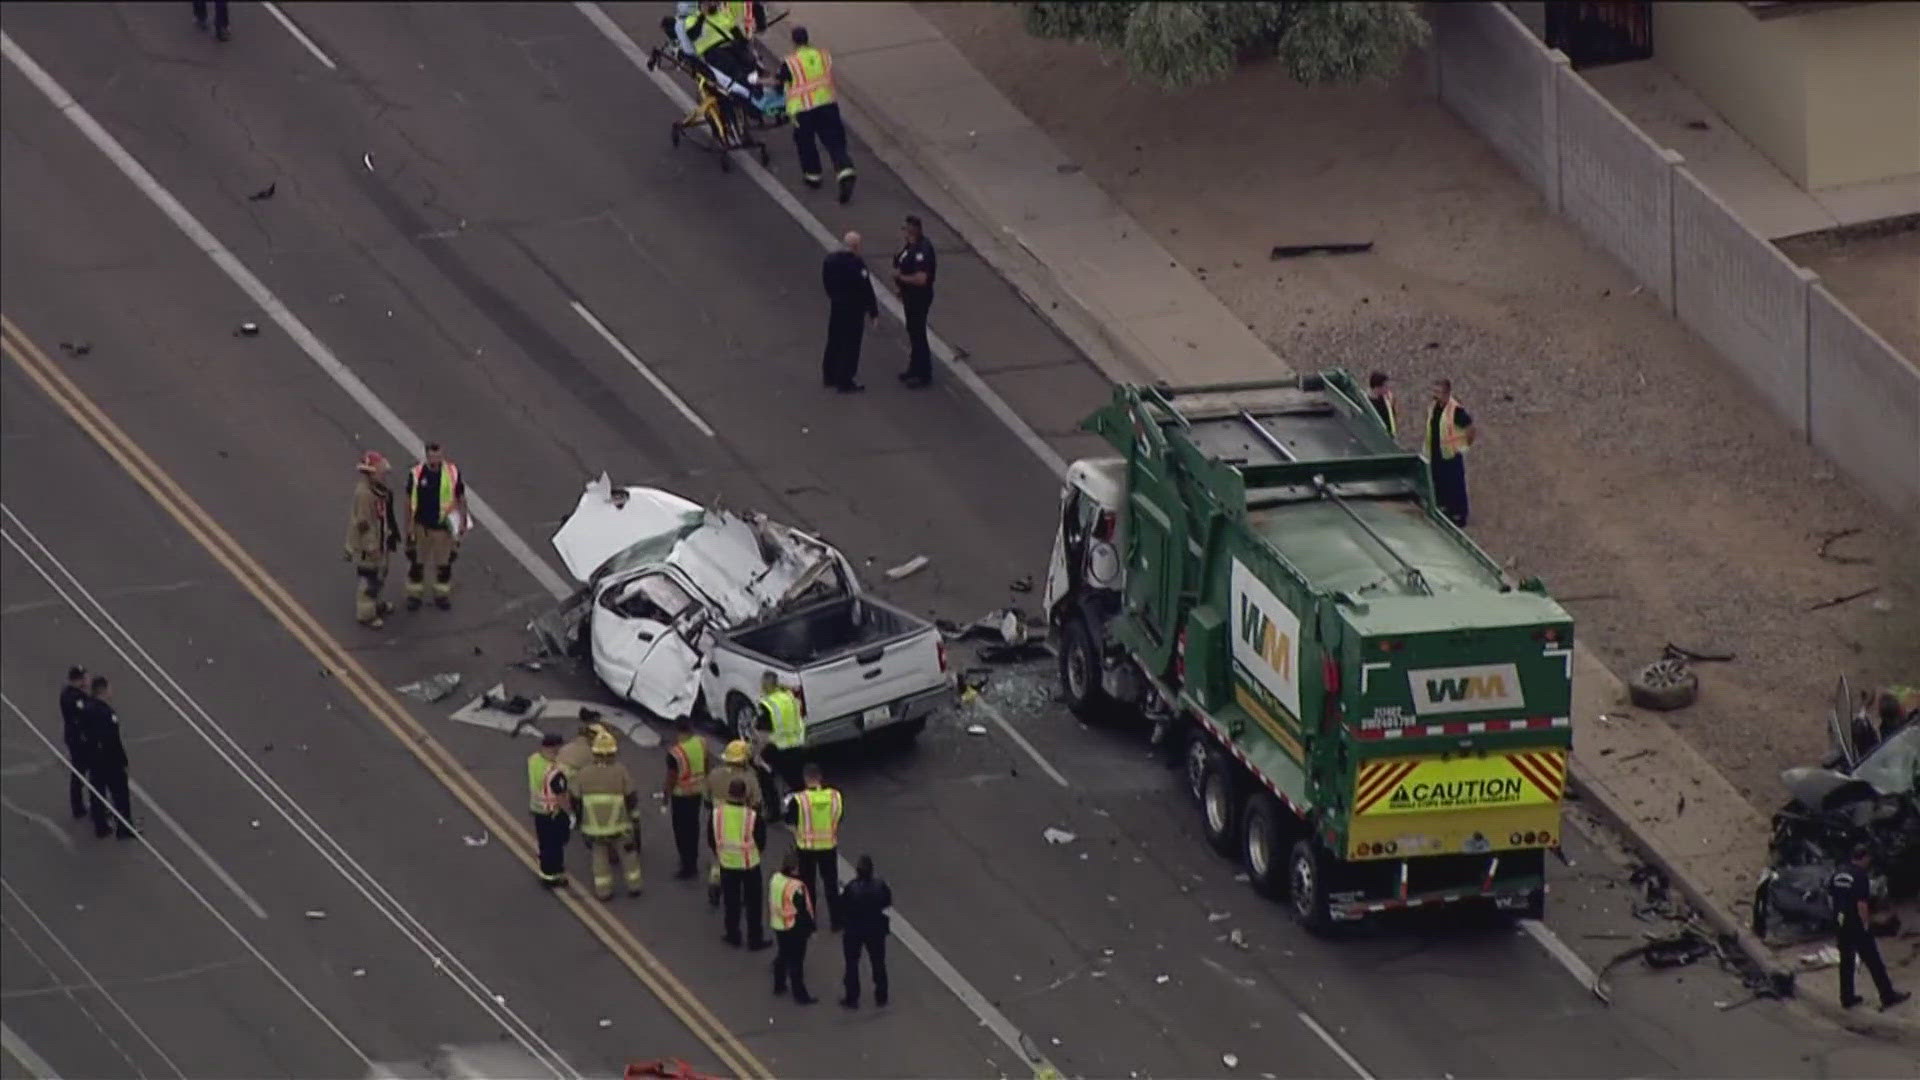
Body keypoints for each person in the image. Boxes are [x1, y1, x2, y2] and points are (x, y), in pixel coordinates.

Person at [776, 27, 857, 204]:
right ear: (807, 38)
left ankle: (813, 176)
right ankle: (845, 170)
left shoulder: (790, 62)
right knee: (834, 141)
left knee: (806, 143)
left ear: (793, 41)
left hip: (803, 110)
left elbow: (779, 81)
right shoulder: (823, 55)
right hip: (827, 104)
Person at [1828, 845, 1909, 1011]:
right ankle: (1888, 996)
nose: (1869, 862)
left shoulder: (1838, 872)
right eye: (1868, 859)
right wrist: (1866, 924)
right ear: (1863, 858)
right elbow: (1861, 904)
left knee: (1846, 961)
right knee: (1874, 962)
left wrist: (1836, 917)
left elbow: (1831, 897)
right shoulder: (1859, 875)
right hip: (1856, 925)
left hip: (1841, 923)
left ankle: (1847, 997)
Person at [573, 729, 644, 900]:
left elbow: (575, 798)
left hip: (594, 828)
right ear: (613, 753)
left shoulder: (583, 773)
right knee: (628, 856)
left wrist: (580, 820)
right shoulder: (620, 771)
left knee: (599, 859)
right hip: (619, 826)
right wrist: (634, 818)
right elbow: (631, 797)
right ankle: (634, 886)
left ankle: (603, 891)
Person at [404, 442, 469, 611]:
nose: (436, 459)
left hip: (443, 528)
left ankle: (441, 595)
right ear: (427, 456)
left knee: (444, 565)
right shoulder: (417, 474)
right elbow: (409, 501)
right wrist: (409, 527)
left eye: (439, 456)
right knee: (417, 563)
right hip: (422, 527)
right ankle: (414, 595)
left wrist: (462, 520)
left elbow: (460, 496)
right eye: (433, 456)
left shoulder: (452, 473)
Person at [711, 778, 770, 949]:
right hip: (749, 864)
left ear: (729, 793)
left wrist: (721, 853)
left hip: (727, 864)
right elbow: (761, 840)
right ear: (744, 795)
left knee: (731, 902)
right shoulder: (752, 816)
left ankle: (733, 935)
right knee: (753, 904)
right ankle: (755, 939)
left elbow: (711, 837)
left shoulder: (717, 814)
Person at [783, 763, 844, 931]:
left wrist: (798, 834)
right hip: (828, 846)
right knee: (831, 884)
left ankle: (810, 921)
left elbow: (789, 822)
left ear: (805, 778)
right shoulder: (834, 796)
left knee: (808, 886)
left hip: (806, 848)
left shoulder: (799, 800)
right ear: (820, 778)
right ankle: (836, 921)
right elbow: (838, 817)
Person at [343, 450, 400, 629]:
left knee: (380, 574)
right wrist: (371, 546)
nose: (384, 475)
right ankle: (366, 614)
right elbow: (363, 524)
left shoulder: (378, 490)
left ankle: (376, 604)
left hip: (381, 539)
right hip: (369, 547)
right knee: (369, 579)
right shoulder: (365, 494)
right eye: (381, 471)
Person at [705, 739, 764, 906]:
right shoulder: (749, 778)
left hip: (718, 820)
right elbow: (757, 804)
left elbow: (707, 798)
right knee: (742, 858)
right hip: (742, 821)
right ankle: (744, 893)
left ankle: (715, 884)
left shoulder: (715, 774)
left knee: (718, 855)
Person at [820, 232, 878, 392]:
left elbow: (826, 281)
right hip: (853, 310)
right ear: (855, 247)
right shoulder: (857, 264)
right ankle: (845, 380)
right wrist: (873, 311)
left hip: (837, 307)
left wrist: (833, 296)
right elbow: (866, 288)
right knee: (851, 345)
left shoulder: (830, 261)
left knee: (834, 340)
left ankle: (829, 374)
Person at [83, 676, 135, 839]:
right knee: (120, 795)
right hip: (110, 760)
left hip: (93, 758)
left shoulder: (87, 708)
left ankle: (100, 826)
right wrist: (123, 760)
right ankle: (124, 828)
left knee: (98, 792)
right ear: (103, 691)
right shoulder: (107, 713)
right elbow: (113, 740)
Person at [838, 854, 892, 1009]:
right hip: (875, 929)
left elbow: (842, 907)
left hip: (855, 930)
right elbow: (887, 901)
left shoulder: (851, 889)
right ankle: (881, 995)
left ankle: (852, 997)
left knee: (852, 964)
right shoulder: (880, 886)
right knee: (878, 962)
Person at [893, 216, 937, 388]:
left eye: (906, 228)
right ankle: (914, 367)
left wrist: (901, 278)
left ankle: (923, 372)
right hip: (909, 296)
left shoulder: (922, 250)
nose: (903, 231)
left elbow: (921, 279)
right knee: (912, 331)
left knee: (918, 333)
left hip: (919, 297)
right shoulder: (910, 246)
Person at [768, 850, 817, 1004]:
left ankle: (779, 984)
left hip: (778, 923)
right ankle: (800, 995)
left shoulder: (775, 879)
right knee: (796, 961)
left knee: (783, 954)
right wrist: (810, 929)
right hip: (793, 926)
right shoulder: (796, 887)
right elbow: (802, 910)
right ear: (793, 869)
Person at [1425, 379, 1475, 526]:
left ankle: (1459, 515)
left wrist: (1465, 445)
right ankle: (1444, 509)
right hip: (1436, 452)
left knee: (1455, 485)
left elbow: (1470, 428)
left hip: (1451, 453)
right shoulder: (1434, 407)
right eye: (1434, 391)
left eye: (1438, 392)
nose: (1434, 395)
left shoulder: (1455, 410)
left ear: (1446, 393)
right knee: (1440, 482)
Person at [663, 717, 709, 879]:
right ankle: (693, 861)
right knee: (694, 828)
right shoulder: (701, 742)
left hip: (681, 796)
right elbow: (706, 764)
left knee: (682, 832)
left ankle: (687, 865)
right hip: (698, 792)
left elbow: (671, 777)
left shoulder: (676, 753)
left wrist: (665, 797)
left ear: (677, 730)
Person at [528, 733, 571, 888]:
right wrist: (569, 814)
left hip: (537, 809)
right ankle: (552, 876)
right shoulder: (553, 772)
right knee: (555, 845)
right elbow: (560, 796)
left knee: (544, 843)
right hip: (552, 812)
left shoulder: (533, 760)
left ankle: (546, 871)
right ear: (554, 747)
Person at [758, 671, 808, 797]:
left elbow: (764, 733)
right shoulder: (789, 697)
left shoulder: (767, 704)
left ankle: (773, 806)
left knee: (762, 770)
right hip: (797, 743)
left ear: (765, 685)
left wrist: (758, 754)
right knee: (797, 781)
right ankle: (803, 803)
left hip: (780, 747)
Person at [59, 666, 93, 820]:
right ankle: (79, 807)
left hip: (76, 738)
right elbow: (86, 713)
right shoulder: (74, 697)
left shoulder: (70, 694)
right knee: (81, 772)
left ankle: (79, 806)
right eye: (85, 677)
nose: (88, 680)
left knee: (80, 772)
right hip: (79, 740)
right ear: (78, 680)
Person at [1367, 371, 1397, 439]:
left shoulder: (1386, 401)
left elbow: (1391, 419)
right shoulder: (1368, 403)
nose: (1387, 389)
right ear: (1377, 387)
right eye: (1385, 386)